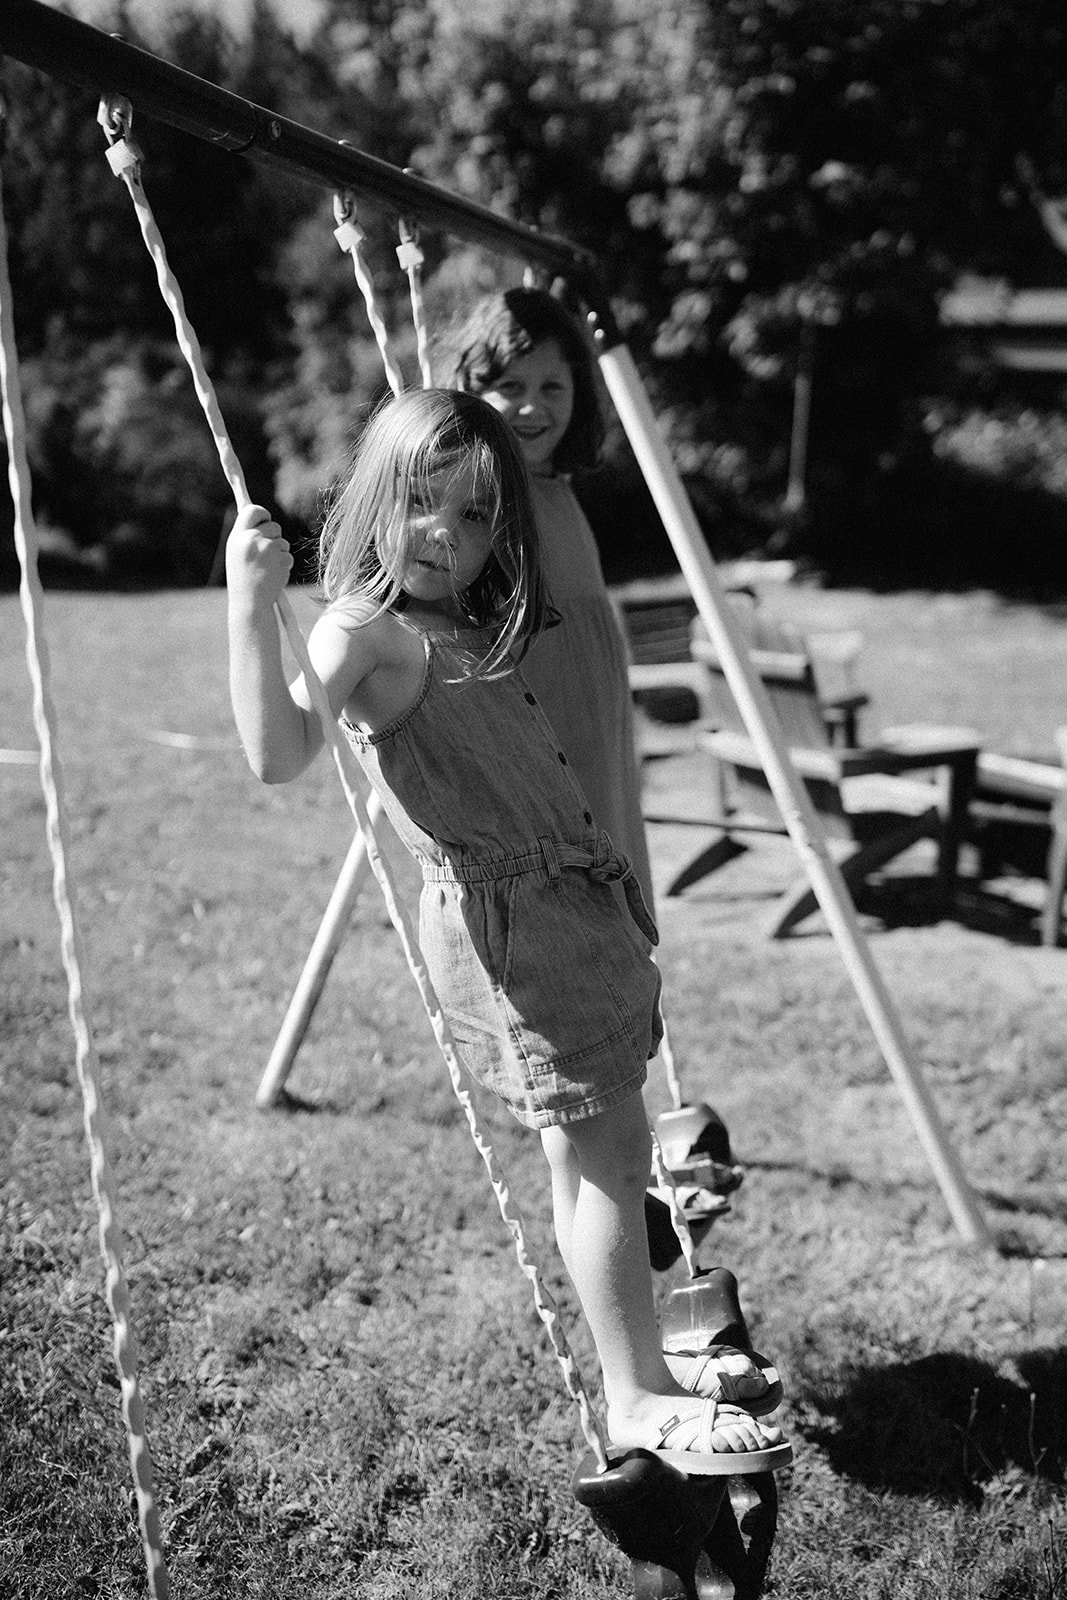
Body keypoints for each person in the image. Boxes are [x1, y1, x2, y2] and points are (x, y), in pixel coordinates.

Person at [226, 387, 788, 1471]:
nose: (446, 532)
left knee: (597, 1157)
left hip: (570, 915)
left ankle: (641, 1365)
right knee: (607, 1158)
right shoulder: (365, 629)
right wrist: (250, 606)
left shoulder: (465, 621)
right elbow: (279, 752)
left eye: (477, 513)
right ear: (373, 499)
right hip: (518, 938)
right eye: (421, 501)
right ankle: (636, 1394)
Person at [438, 287, 653, 911]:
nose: (532, 406)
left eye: (552, 387)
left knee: (615, 873)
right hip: (539, 732)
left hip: (597, 725)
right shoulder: (479, 494)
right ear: (472, 390)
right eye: (510, 386)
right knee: (566, 895)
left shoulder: (557, 487)